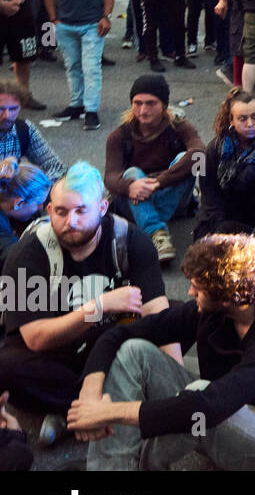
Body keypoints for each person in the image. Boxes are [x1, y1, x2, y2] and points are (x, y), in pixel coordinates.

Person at [67, 233, 255, 470]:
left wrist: (108, 412)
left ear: (228, 297)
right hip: (217, 407)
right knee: (134, 351)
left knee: (197, 397)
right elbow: (118, 335)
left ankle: (132, 464)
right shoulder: (217, 309)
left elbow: (210, 406)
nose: (189, 292)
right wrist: (90, 397)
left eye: (198, 289)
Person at [0, 163, 173, 447]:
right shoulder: (26, 254)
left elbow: (160, 316)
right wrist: (99, 306)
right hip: (57, 353)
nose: (72, 221)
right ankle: (107, 409)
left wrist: (174, 394)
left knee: (178, 317)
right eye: (61, 211)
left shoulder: (131, 240)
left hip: (112, 343)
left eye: (81, 210)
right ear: (48, 210)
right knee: (5, 366)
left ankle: (73, 414)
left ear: (102, 209)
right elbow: (35, 338)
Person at [103, 74, 204, 263]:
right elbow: (110, 177)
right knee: (132, 174)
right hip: (136, 198)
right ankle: (157, 233)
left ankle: (148, 218)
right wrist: (129, 187)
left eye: (151, 103)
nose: (143, 110)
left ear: (164, 105)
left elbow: (200, 156)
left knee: (186, 158)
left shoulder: (178, 127)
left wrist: (158, 182)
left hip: (171, 199)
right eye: (137, 103)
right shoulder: (119, 135)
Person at [43, 0, 115, 131]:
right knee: (72, 66)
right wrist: (54, 19)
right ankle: (76, 105)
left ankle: (91, 110)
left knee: (91, 68)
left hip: (92, 24)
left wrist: (106, 16)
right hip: (65, 24)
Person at [193, 87, 255, 242]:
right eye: (242, 119)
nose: (250, 124)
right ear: (231, 120)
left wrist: (253, 172)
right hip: (228, 215)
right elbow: (210, 197)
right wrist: (220, 226)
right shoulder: (215, 149)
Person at [0, 80, 65, 180]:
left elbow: (55, 167)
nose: (7, 115)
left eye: (13, 109)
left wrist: (33, 182)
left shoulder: (24, 129)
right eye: (1, 109)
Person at [0, 161, 52, 257]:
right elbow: (16, 260)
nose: (41, 207)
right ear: (19, 203)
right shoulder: (4, 237)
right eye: (38, 203)